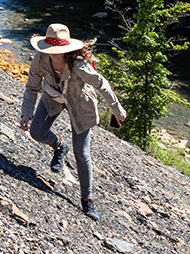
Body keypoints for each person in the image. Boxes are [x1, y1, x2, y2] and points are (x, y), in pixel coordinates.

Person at [19, 23, 126, 222]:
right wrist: (26, 113)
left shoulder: (79, 65)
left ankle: (87, 198)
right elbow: (32, 86)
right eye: (49, 49)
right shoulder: (40, 59)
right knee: (36, 131)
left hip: (80, 102)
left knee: (82, 152)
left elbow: (102, 84)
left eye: (56, 50)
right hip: (52, 96)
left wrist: (116, 109)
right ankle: (59, 146)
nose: (52, 53)